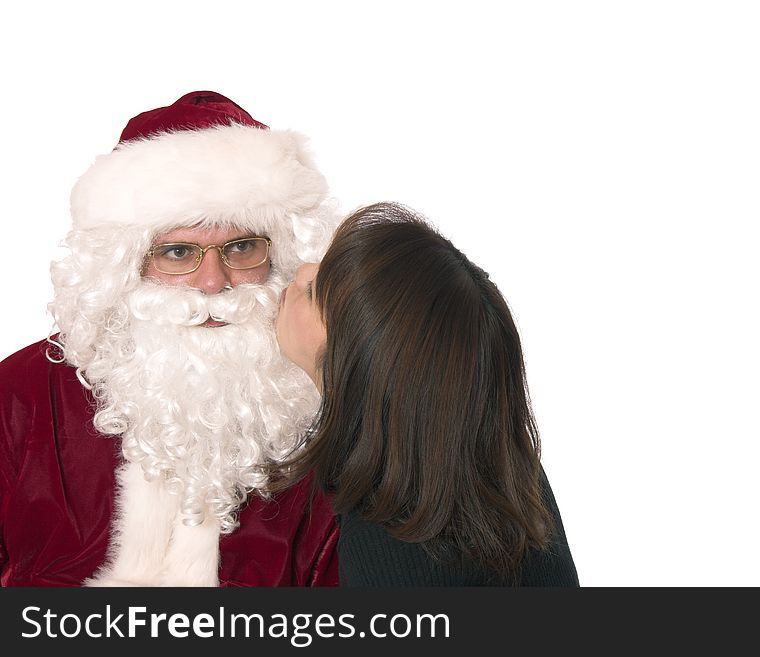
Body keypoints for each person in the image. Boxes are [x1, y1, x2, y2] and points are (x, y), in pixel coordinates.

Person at [0, 91, 341, 586]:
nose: (212, 282)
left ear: (281, 255)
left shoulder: (329, 398)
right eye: (178, 253)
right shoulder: (21, 394)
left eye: (242, 247)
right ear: (124, 266)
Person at [273, 202, 580, 586]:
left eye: (315, 291)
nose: (301, 271)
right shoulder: (506, 474)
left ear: (355, 362)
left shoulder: (386, 550)